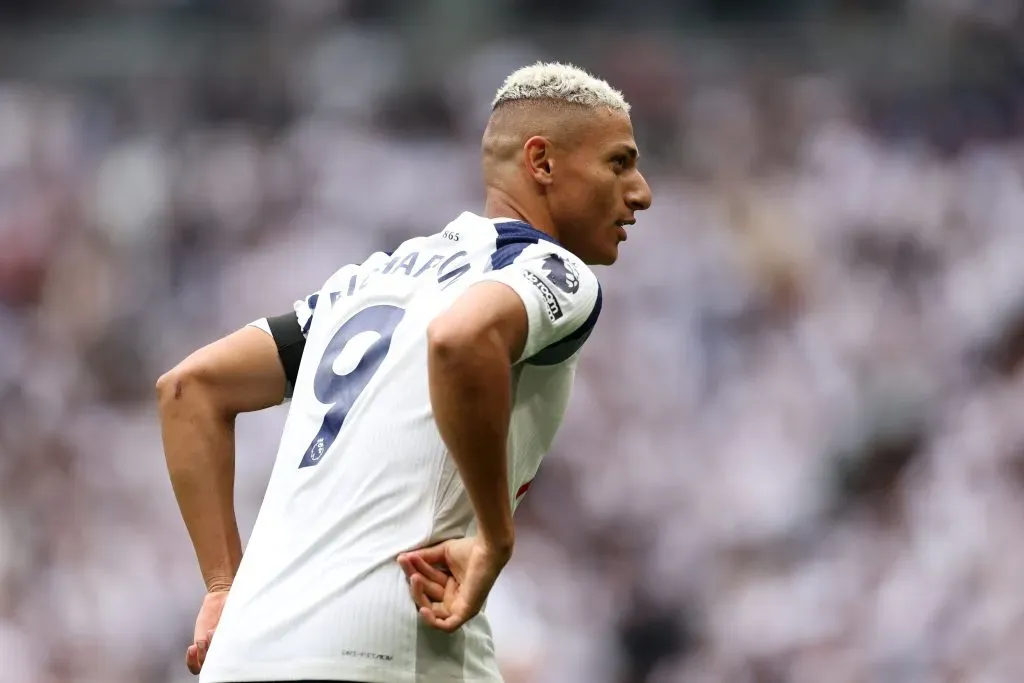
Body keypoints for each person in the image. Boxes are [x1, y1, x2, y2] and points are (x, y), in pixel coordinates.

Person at [157, 61, 652, 683]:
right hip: (385, 646)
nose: (641, 191)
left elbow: (188, 389)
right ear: (542, 162)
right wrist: (497, 538)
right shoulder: (552, 267)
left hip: (242, 655)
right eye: (619, 162)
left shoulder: (366, 284)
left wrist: (222, 586)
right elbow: (462, 339)